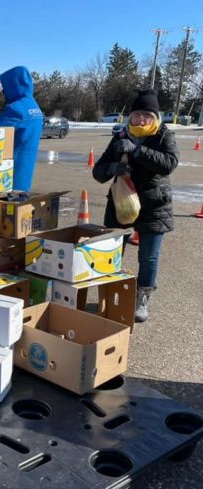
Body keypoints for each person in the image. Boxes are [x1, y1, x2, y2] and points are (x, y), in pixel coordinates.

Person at [92, 89, 179, 323]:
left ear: (156, 117)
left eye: (146, 115)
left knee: (149, 257)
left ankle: (142, 297)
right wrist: (113, 169)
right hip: (121, 204)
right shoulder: (121, 136)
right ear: (130, 116)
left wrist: (138, 151)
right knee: (111, 251)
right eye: (137, 114)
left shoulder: (163, 135)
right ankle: (110, 293)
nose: (140, 119)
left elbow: (169, 164)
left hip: (154, 205)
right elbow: (97, 171)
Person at [0, 66, 43, 191]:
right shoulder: (34, 107)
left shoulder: (16, 109)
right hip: (25, 173)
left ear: (13, 86)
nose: (3, 92)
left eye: (5, 88)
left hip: (9, 176)